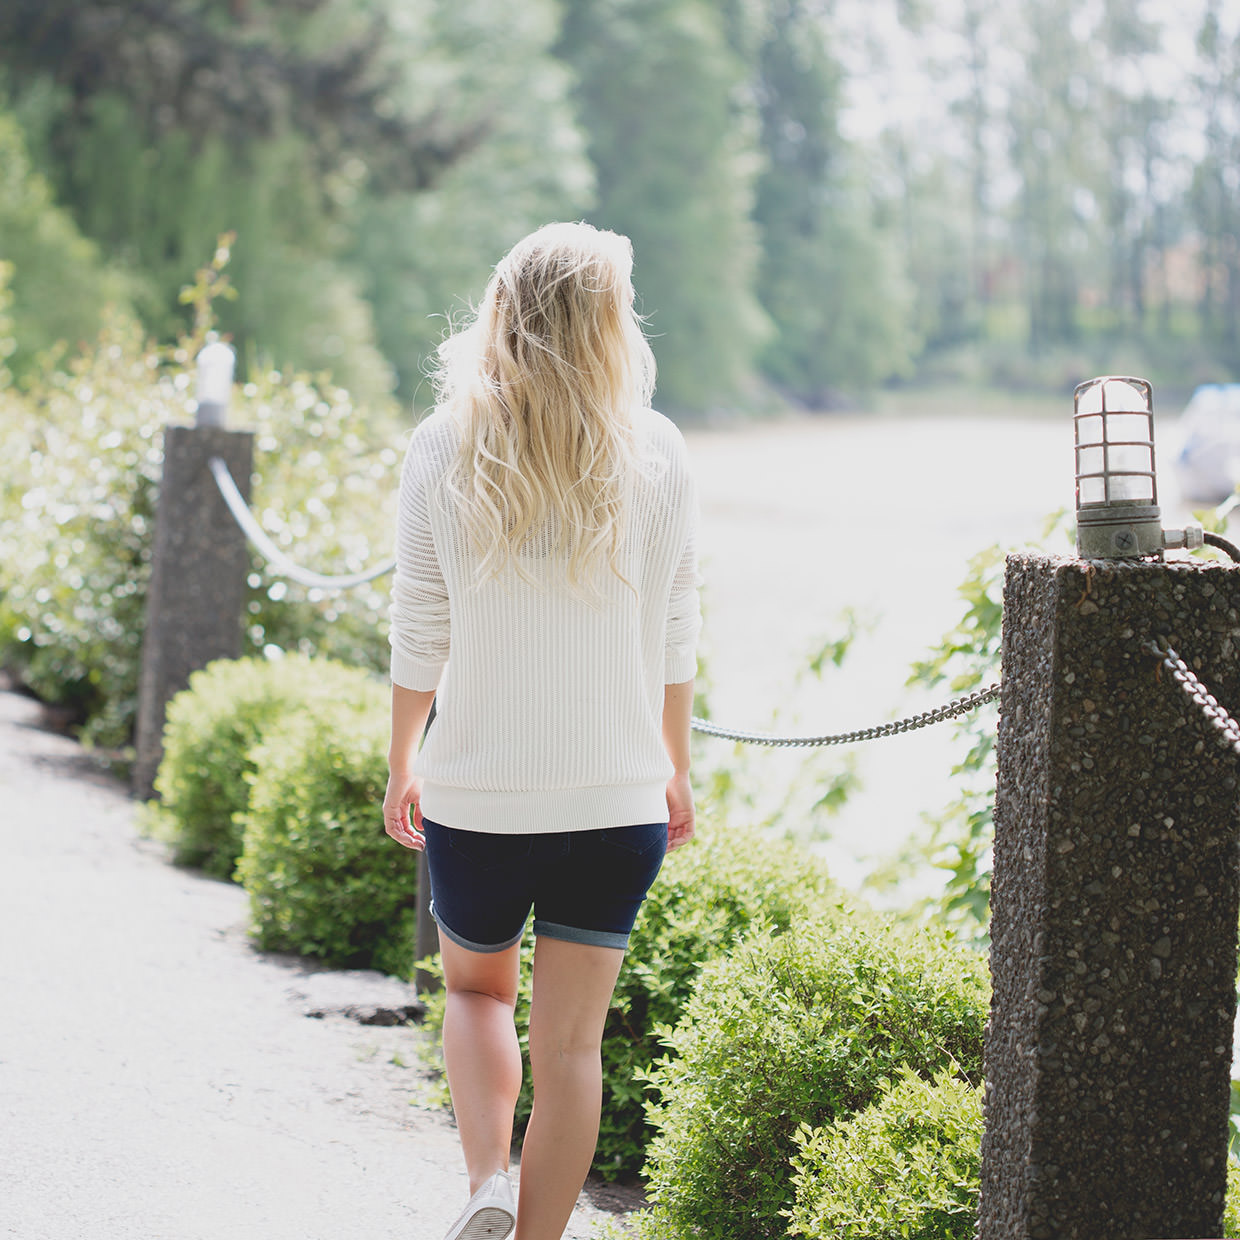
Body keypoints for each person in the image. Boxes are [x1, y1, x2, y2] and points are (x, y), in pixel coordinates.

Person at [382, 221, 701, 1240]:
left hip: (478, 796)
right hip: (617, 802)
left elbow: (418, 621)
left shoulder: (442, 444)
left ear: (504, 312)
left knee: (476, 993)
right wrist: (676, 767)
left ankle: (487, 1179)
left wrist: (402, 757)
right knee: (573, 1050)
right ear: (609, 324)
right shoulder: (657, 450)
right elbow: (678, 625)